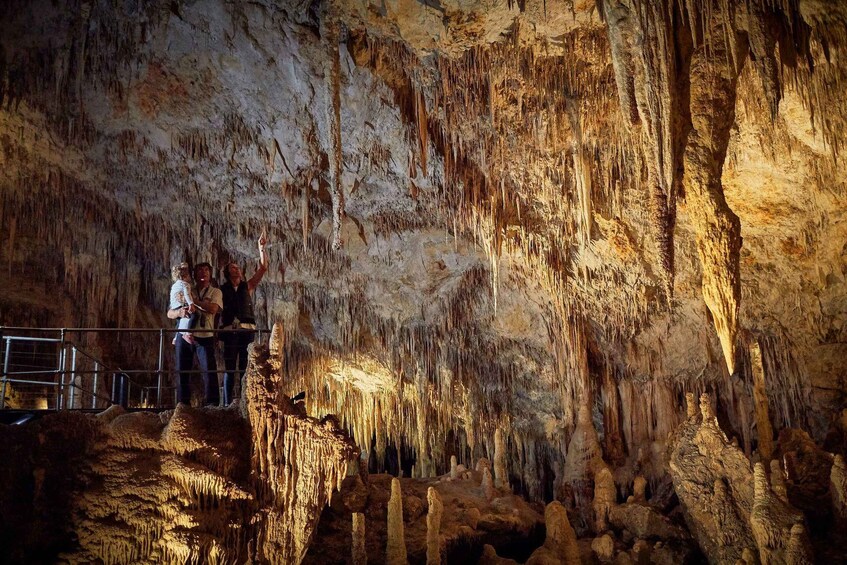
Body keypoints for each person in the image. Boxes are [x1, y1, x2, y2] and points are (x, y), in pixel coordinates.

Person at [220, 234, 268, 405]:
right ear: (227, 273)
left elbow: (263, 268)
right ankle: (226, 402)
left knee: (244, 367)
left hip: (247, 329)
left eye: (237, 267)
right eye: (233, 268)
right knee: (230, 368)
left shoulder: (247, 286)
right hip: (229, 330)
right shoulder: (221, 289)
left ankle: (244, 401)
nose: (237, 269)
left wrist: (261, 249)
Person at [167, 262, 223, 406]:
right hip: (183, 336)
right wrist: (179, 312)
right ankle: (182, 406)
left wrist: (194, 301)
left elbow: (213, 309)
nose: (203, 273)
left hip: (204, 336)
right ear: (194, 274)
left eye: (206, 270)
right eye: (199, 270)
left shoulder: (215, 292)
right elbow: (170, 312)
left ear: (210, 274)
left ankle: (213, 406)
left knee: (209, 372)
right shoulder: (184, 287)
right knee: (182, 372)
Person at [169, 263, 200, 345]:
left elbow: (172, 295)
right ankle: (188, 334)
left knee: (179, 321)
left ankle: (175, 338)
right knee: (195, 315)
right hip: (182, 305)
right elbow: (187, 294)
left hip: (175, 306)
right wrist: (191, 304)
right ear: (185, 276)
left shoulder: (175, 285)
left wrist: (173, 306)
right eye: (189, 275)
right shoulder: (185, 284)